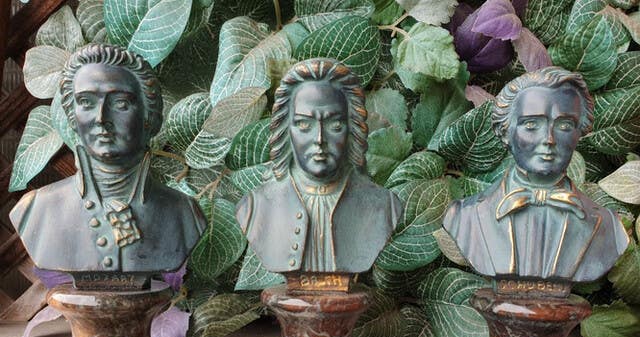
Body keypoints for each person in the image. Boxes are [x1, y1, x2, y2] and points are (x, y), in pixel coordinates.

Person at [10, 44, 206, 288]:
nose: (101, 118)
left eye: (120, 103)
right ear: (72, 117)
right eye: (86, 102)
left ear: (150, 117)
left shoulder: (185, 215)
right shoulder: (36, 210)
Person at [443, 67, 628, 284]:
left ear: (580, 133)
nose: (549, 139)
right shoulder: (465, 217)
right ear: (505, 132)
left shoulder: (610, 227)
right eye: (531, 124)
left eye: (564, 125)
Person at [235, 58, 402, 275]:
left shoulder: (384, 207)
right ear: (285, 130)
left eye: (335, 125)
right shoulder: (254, 208)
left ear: (353, 130)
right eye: (304, 124)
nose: (319, 139)